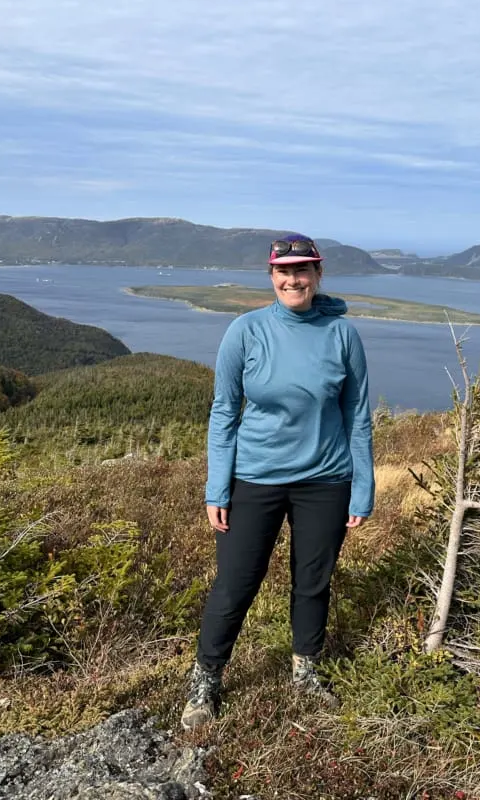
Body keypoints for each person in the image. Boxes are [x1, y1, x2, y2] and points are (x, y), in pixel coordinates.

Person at [181, 234, 375, 728]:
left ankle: (305, 672)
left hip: (326, 479)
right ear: (272, 277)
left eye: (304, 270)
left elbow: (357, 414)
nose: (295, 279)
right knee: (235, 585)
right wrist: (216, 487)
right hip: (256, 478)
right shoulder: (245, 331)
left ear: (318, 275)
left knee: (313, 583)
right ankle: (206, 682)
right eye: (285, 271)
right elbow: (224, 411)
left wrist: (363, 486)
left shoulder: (342, 334)